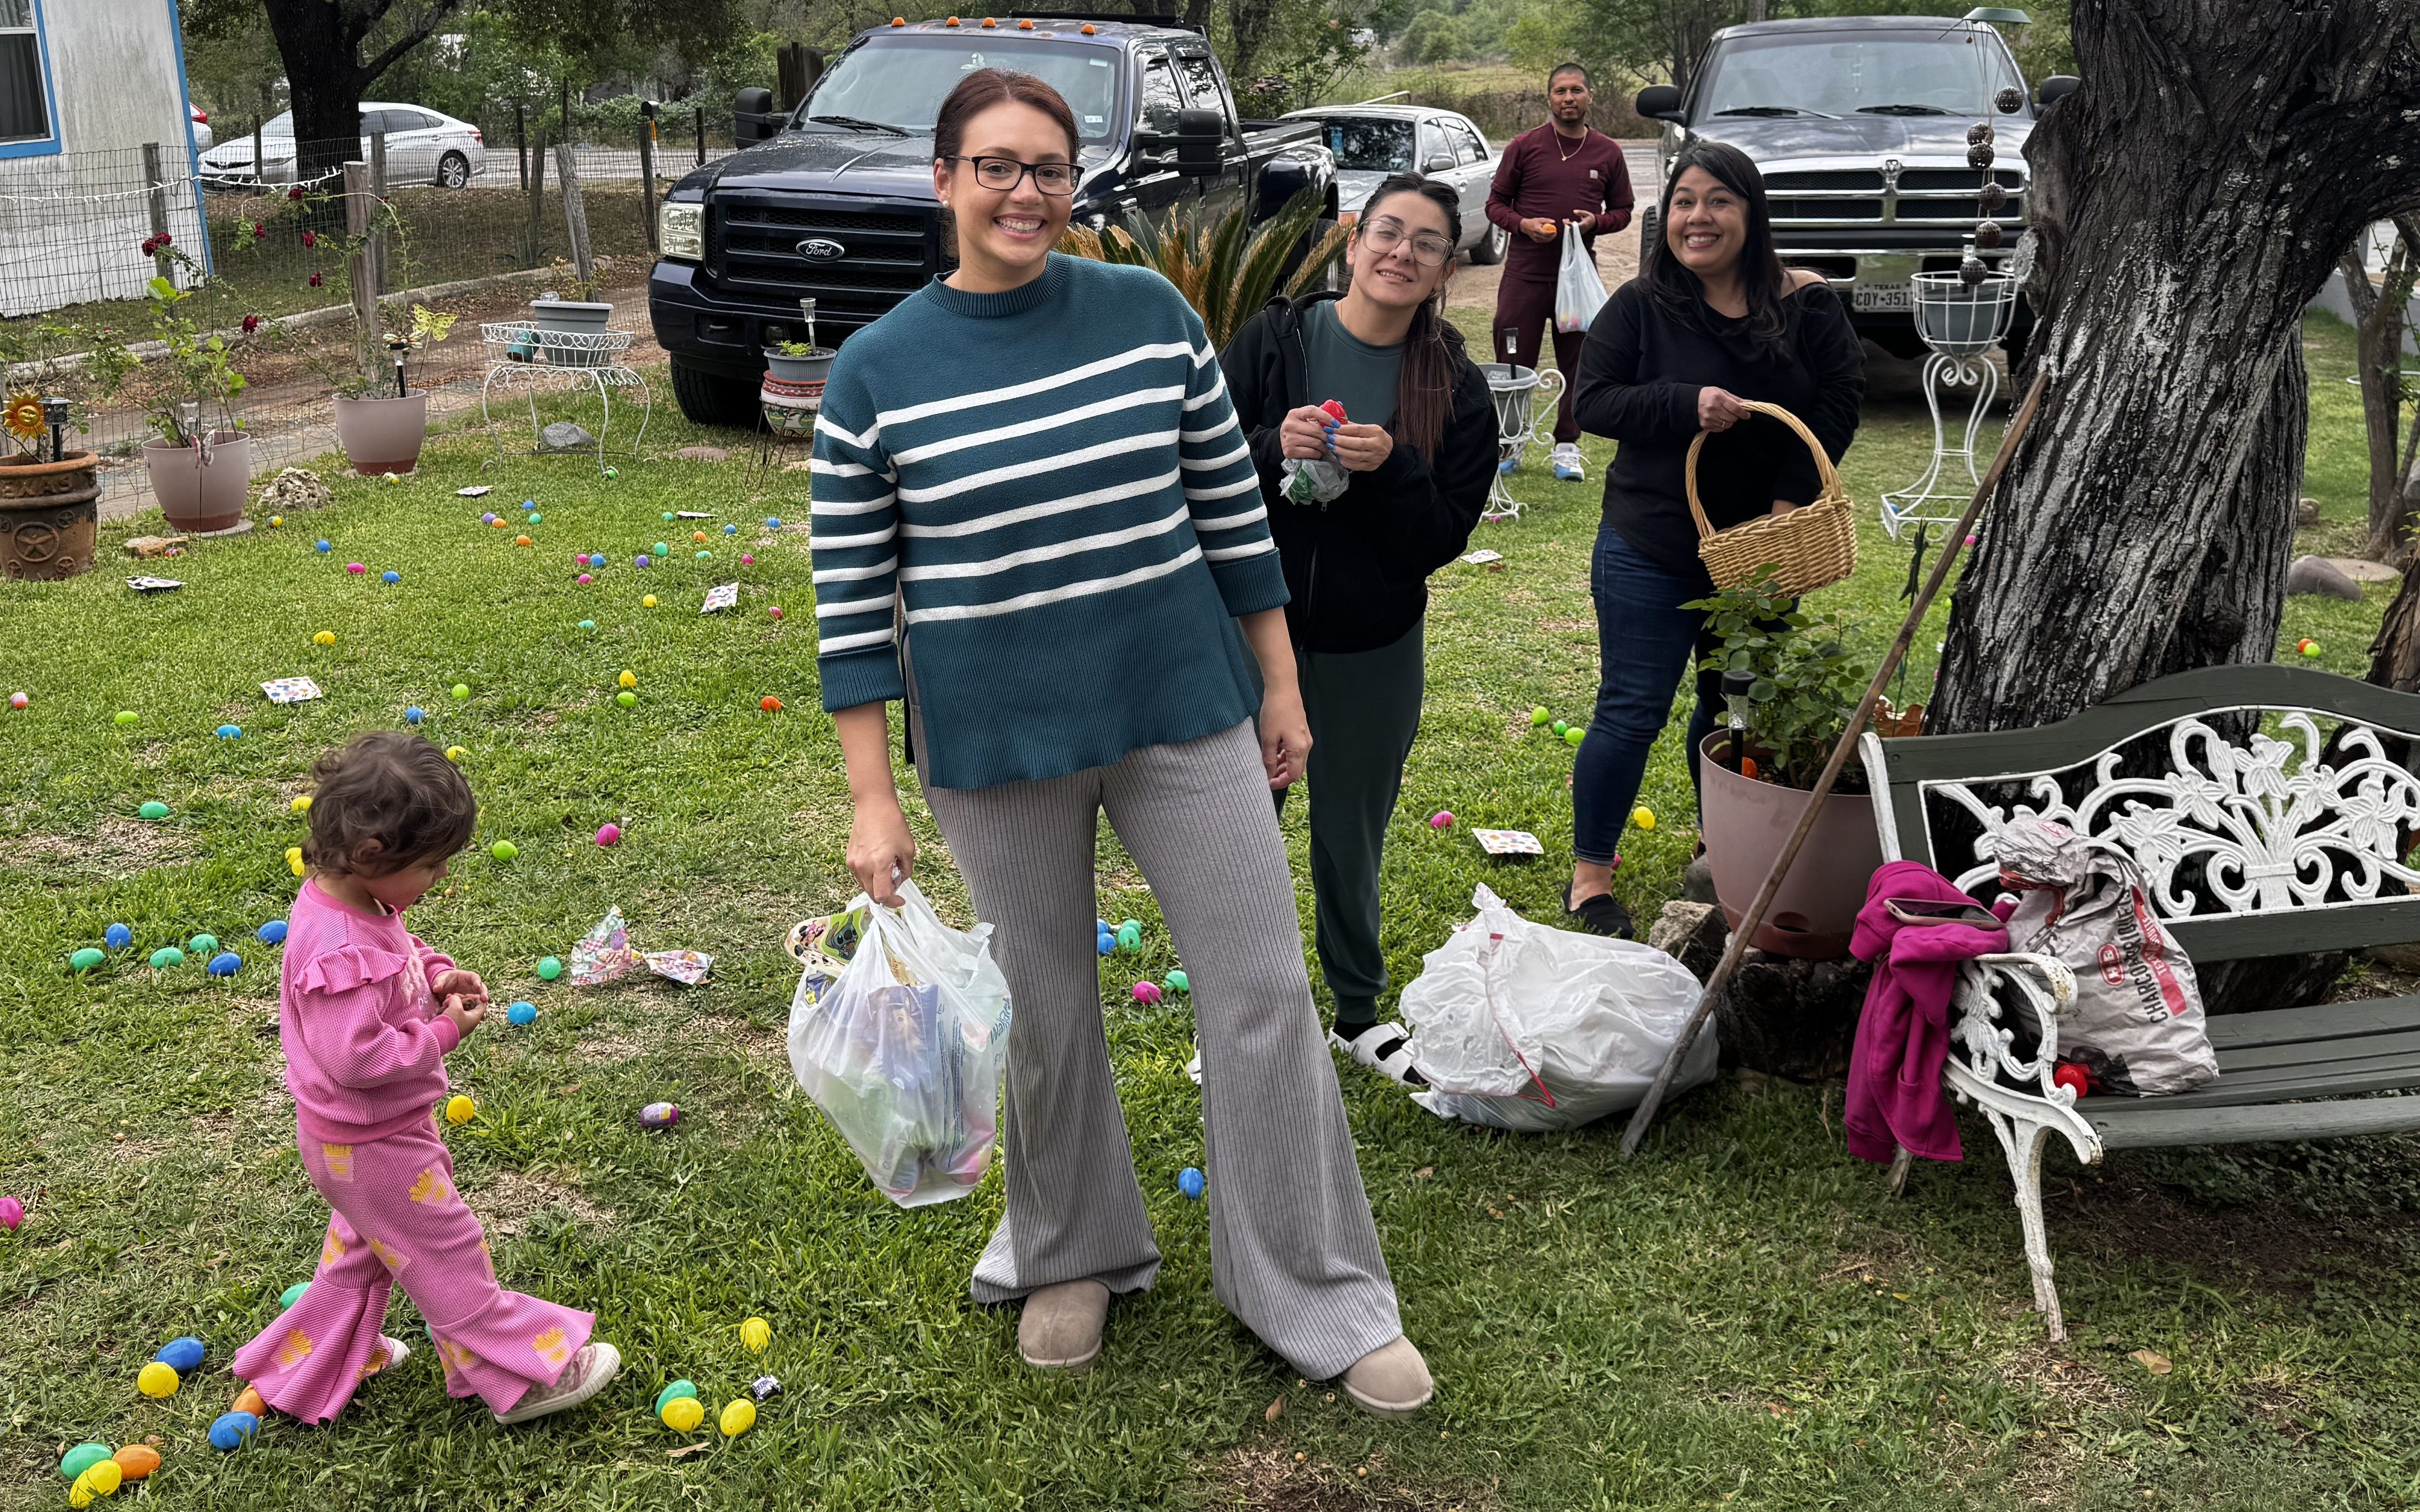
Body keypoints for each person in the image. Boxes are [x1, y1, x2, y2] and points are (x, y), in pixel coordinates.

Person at [810, 68, 1430, 1416]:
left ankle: (1311, 1286)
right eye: (995, 165)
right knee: (1042, 1007)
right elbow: (851, 603)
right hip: (994, 739)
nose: (1024, 191)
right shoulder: (873, 374)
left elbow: (1230, 516)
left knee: (1260, 987)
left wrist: (1279, 685)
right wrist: (870, 796)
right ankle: (1071, 1250)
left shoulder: (1149, 319)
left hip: (1180, 707)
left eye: (1048, 167)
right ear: (943, 180)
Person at [232, 732, 621, 1426]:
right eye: (432, 865)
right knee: (447, 1257)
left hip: (362, 1141)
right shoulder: (338, 948)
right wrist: (443, 1032)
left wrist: (436, 973)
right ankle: (519, 1381)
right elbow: (356, 1058)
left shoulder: (349, 901)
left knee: (361, 1259)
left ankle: (310, 1368)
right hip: (374, 1145)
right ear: (371, 854)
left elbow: (396, 948)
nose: (439, 877)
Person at [1219, 173, 1496, 1086]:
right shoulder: (1276, 340)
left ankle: (1356, 1015)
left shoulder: (1454, 386)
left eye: (1427, 243)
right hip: (1250, 636)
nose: (1401, 253)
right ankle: (1235, 1018)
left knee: (1351, 833)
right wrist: (1273, 446)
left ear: (1446, 268)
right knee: (1242, 834)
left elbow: (1441, 537)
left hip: (1373, 647)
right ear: (1352, 240)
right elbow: (1198, 463)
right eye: (1387, 231)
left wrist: (1394, 468)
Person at [1564, 140, 1864, 938]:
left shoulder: (1806, 303)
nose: (1698, 218)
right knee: (1630, 709)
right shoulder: (1641, 306)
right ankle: (1590, 877)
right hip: (1651, 545)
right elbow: (1593, 403)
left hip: (1764, 553)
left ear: (1750, 213)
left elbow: (1837, 401)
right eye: (1684, 202)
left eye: (1718, 201)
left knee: (1733, 706)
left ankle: (1719, 842)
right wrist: (1683, 402)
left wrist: (1787, 504)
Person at [1484, 62, 1633, 484]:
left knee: (1578, 363)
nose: (1569, 98)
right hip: (1525, 276)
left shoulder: (1608, 152)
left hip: (1577, 279)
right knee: (1513, 363)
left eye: (1577, 91)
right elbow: (1495, 205)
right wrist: (1523, 225)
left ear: (1590, 96)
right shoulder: (1524, 146)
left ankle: (1567, 446)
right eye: (1561, 91)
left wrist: (1595, 223)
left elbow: (1624, 210)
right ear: (1548, 98)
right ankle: (1510, 444)